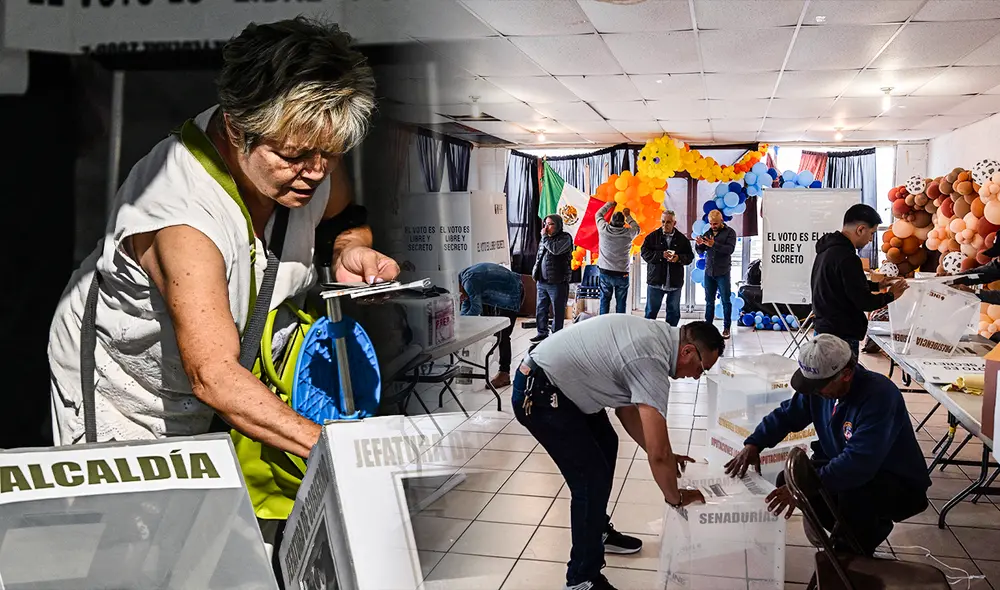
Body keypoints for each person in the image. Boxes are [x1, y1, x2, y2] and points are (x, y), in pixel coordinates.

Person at [47, 16, 399, 568]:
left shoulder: (301, 149)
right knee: (134, 542)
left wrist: (348, 248)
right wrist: (341, 454)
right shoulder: (182, 220)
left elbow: (344, 212)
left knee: (206, 537)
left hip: (226, 366)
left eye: (327, 154)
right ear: (236, 129)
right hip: (132, 386)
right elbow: (212, 375)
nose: (313, 174)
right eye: (293, 156)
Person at [513, 316, 725, 590]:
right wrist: (676, 497)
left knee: (606, 444)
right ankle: (581, 579)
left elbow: (627, 409)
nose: (697, 376)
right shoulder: (651, 359)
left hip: (564, 388)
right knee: (590, 480)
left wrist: (668, 458)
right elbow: (658, 453)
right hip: (541, 393)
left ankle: (596, 531)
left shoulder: (658, 340)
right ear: (686, 351)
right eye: (701, 368)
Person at [724, 334, 930, 557]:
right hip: (847, 465)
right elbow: (788, 415)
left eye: (819, 386)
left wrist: (803, 488)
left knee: (851, 499)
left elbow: (858, 464)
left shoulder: (880, 396)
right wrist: (755, 443)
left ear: (846, 374)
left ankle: (851, 552)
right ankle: (845, 536)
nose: (815, 392)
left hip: (892, 481)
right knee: (789, 478)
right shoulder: (820, 390)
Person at [812, 204, 907, 356]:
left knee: (827, 377)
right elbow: (864, 301)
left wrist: (877, 285)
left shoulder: (828, 250)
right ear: (860, 229)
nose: (870, 239)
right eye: (871, 233)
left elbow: (842, 286)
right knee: (843, 378)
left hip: (824, 329)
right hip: (840, 335)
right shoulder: (848, 258)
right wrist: (891, 295)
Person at [458, 262, 524, 388]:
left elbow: (475, 308)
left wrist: (462, 324)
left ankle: (504, 374)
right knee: (497, 334)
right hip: (503, 289)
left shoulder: (469, 282)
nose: (460, 299)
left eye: (459, 296)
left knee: (502, 335)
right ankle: (498, 370)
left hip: (512, 292)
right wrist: (460, 322)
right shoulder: (463, 278)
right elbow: (467, 303)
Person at [641, 209, 694, 326]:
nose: (665, 225)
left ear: (674, 223)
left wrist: (678, 258)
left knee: (673, 313)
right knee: (650, 312)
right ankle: (648, 336)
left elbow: (690, 256)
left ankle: (671, 336)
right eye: (663, 222)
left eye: (668, 222)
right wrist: (660, 255)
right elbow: (644, 254)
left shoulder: (682, 239)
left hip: (674, 283)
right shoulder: (652, 237)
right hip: (655, 282)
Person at [531, 214, 574, 343]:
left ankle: (556, 336)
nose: (546, 227)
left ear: (558, 225)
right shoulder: (545, 239)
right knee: (541, 309)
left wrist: (544, 237)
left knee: (558, 310)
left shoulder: (565, 238)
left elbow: (555, 250)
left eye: (550, 224)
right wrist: (535, 272)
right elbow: (539, 257)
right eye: (545, 224)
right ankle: (541, 333)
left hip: (557, 282)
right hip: (542, 281)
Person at [696, 209, 737, 339]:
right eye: (711, 223)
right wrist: (699, 245)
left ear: (722, 221)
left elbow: (729, 250)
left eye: (715, 224)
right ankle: (708, 328)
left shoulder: (730, 233)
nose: (713, 226)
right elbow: (700, 251)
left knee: (725, 300)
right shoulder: (707, 233)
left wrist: (715, 244)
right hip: (709, 271)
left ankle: (726, 328)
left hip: (723, 271)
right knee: (709, 301)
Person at [595, 202, 640, 315]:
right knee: (621, 303)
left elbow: (598, 214)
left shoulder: (603, 229)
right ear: (623, 224)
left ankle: (603, 326)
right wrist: (628, 215)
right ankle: (619, 327)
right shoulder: (628, 233)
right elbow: (637, 228)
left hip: (605, 272)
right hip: (622, 273)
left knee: (604, 300)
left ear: (611, 221)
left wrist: (609, 204)